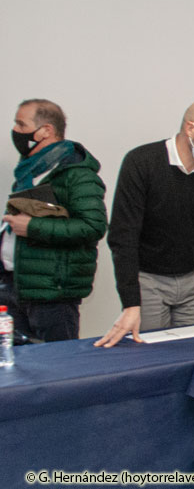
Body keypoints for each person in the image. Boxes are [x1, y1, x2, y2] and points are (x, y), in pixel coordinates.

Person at [97, 99, 194, 347]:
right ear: (191, 129)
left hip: (192, 282)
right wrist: (131, 303)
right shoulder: (141, 162)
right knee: (152, 356)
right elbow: (122, 237)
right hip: (148, 281)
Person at [0, 99, 106, 341]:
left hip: (52, 295)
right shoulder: (30, 170)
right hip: (17, 286)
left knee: (59, 369)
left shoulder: (77, 173)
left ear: (45, 130)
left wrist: (32, 227)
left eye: (21, 124)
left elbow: (93, 226)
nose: (15, 131)